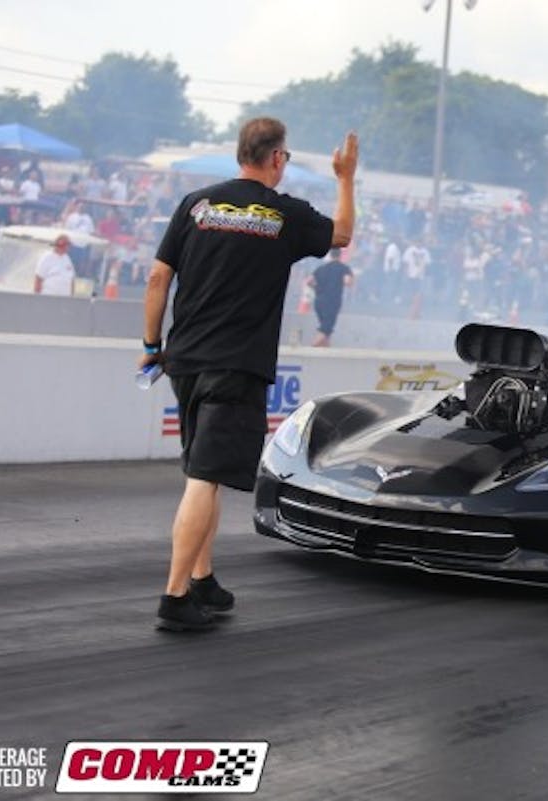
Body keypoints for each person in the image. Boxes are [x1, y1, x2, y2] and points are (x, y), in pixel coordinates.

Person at [139, 117, 357, 632]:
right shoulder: (285, 213)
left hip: (184, 360)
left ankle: (201, 579)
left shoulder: (195, 203)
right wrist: (345, 178)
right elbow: (343, 234)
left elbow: (157, 277)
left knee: (203, 474)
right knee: (203, 478)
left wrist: (151, 346)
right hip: (235, 365)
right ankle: (174, 596)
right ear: (277, 158)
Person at [308, 248, 355, 347]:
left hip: (318, 301)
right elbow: (347, 282)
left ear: (330, 255)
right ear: (340, 255)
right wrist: (352, 281)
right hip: (332, 301)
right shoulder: (343, 268)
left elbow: (309, 281)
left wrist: (317, 288)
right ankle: (311, 348)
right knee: (326, 328)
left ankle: (325, 349)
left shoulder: (321, 268)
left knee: (326, 327)